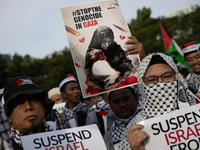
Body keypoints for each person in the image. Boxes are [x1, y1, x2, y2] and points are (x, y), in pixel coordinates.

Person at [119, 53, 197, 150]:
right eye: (152, 80)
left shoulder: (196, 109)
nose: (161, 83)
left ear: (177, 77)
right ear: (142, 85)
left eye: (167, 76)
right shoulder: (136, 127)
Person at [3, 75, 66, 150]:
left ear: (44, 107)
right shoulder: (5, 147)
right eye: (19, 103)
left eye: (33, 99)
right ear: (8, 116)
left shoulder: (68, 140)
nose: (28, 107)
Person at [84, 25, 138, 91]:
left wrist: (117, 74)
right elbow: (88, 72)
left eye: (109, 41)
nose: (107, 44)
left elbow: (126, 62)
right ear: (98, 40)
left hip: (119, 81)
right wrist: (92, 55)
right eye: (104, 41)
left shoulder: (114, 47)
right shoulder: (92, 52)